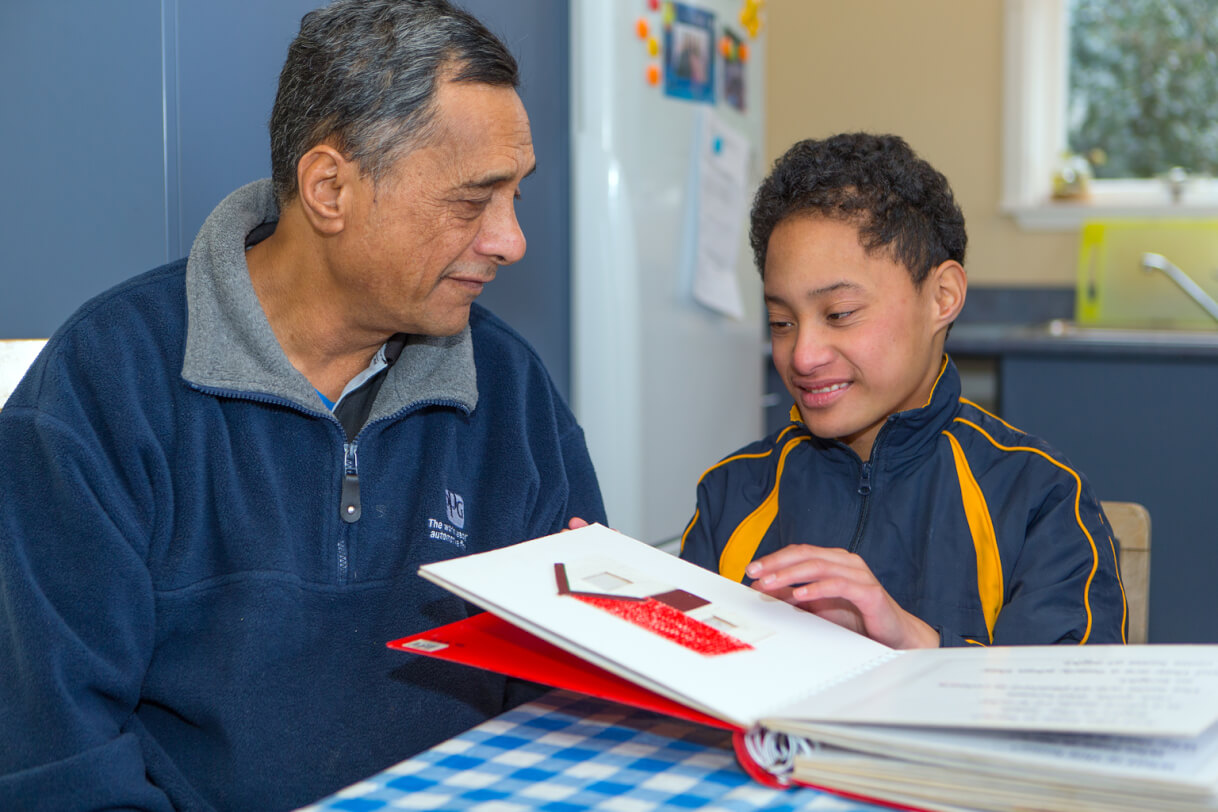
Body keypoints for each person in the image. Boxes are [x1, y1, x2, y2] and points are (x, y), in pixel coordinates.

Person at [0, 1, 605, 809]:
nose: (510, 240)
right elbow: (55, 762)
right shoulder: (105, 385)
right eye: (472, 201)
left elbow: (578, 699)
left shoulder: (511, 389)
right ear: (329, 188)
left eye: (517, 198)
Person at [680, 133, 1126, 649]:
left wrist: (910, 641)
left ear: (942, 297)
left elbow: (1065, 708)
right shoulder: (732, 493)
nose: (802, 355)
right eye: (781, 322)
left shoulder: (1038, 498)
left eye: (840, 314)